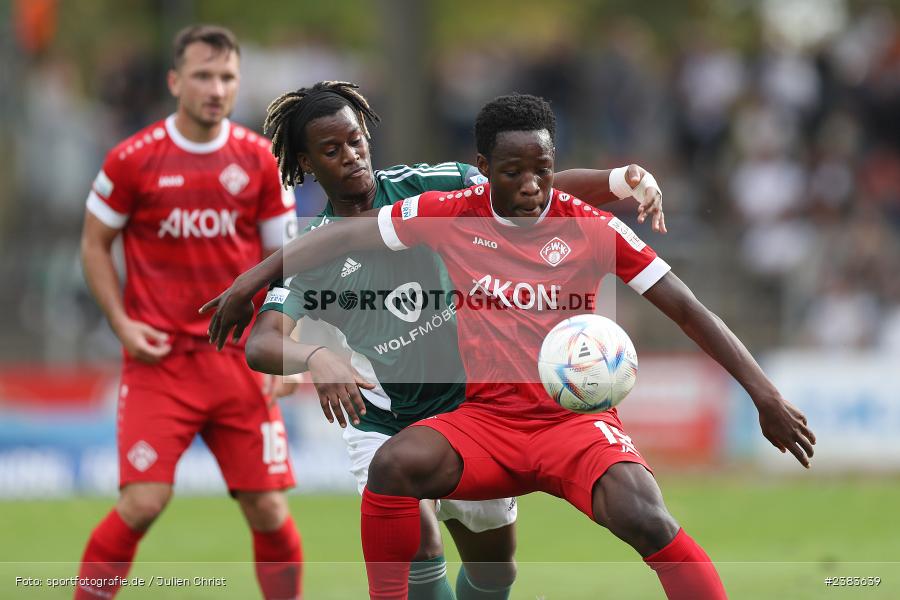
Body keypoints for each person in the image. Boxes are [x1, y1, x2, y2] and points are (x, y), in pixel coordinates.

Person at [205, 93, 816, 600]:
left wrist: (616, 180)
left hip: (511, 410)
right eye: (332, 150)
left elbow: (681, 302)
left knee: (524, 556)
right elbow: (311, 277)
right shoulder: (437, 212)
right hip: (412, 415)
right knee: (399, 491)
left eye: (357, 141)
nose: (352, 157)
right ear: (307, 164)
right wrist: (287, 320)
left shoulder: (451, 191)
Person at [76, 25, 301, 600]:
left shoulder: (259, 160)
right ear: (176, 81)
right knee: (143, 502)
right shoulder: (133, 158)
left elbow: (290, 262)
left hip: (238, 364)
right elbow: (94, 242)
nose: (216, 87)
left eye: (226, 77)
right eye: (203, 75)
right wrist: (120, 323)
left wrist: (282, 346)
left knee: (268, 509)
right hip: (161, 361)